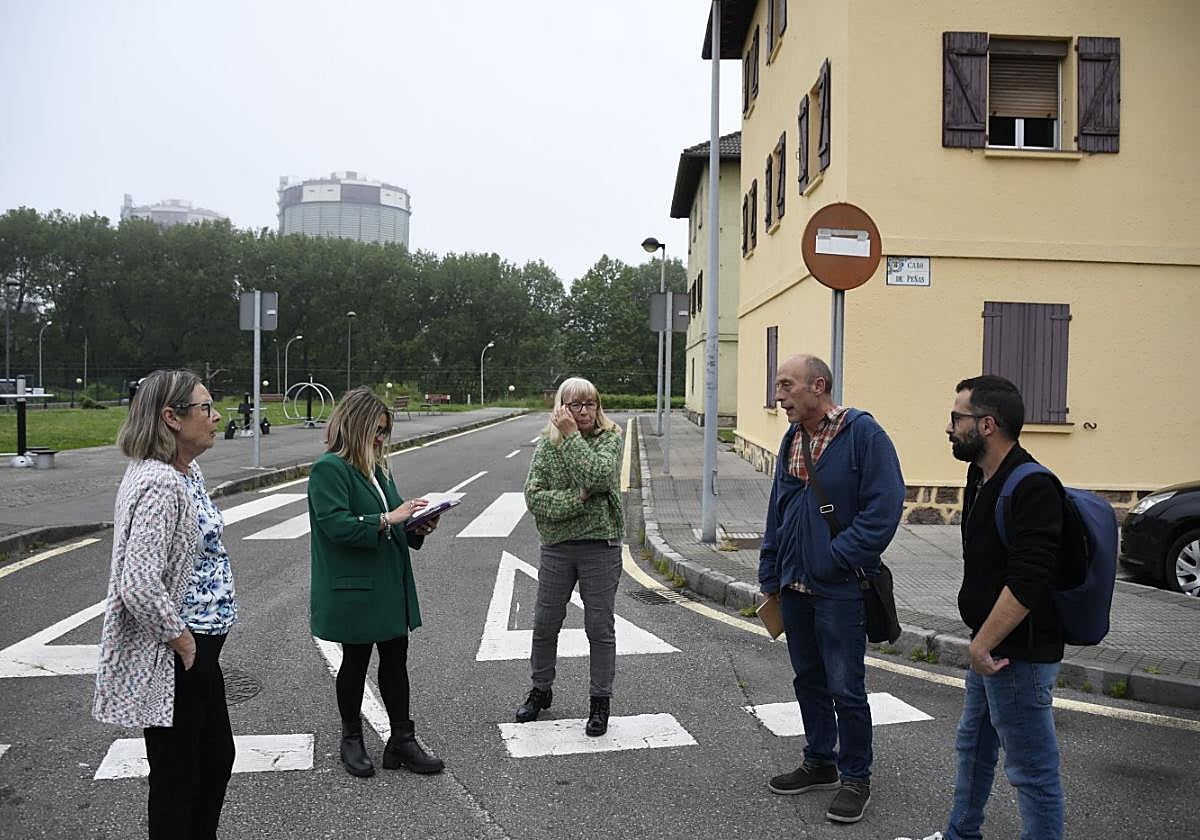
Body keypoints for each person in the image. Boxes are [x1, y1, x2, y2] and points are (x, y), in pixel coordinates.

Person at [758, 354, 905, 825]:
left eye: (786, 386)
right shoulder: (792, 436)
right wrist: (770, 570)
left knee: (846, 686)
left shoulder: (863, 434)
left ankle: (855, 776)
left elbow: (885, 508)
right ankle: (820, 760)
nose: (778, 396)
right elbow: (779, 509)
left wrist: (838, 558)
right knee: (809, 680)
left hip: (840, 588)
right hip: (795, 586)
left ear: (817, 386)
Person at [92, 369, 237, 839]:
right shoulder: (160, 484)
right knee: (179, 776)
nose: (217, 418)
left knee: (214, 758)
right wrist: (183, 641)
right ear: (171, 418)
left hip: (198, 649)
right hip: (179, 653)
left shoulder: (186, 471)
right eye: (205, 408)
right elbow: (137, 584)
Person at [937, 375, 1065, 839]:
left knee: (1032, 771)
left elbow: (1029, 582)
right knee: (973, 748)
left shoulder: (1032, 486)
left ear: (987, 424)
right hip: (988, 646)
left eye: (957, 418)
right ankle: (961, 832)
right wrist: (980, 643)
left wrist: (982, 646)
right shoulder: (980, 474)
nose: (949, 427)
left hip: (1018, 654)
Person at [307, 386, 443, 778]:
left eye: (385, 431)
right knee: (355, 661)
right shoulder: (329, 469)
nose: (382, 439)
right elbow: (337, 527)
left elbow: (396, 519)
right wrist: (390, 519)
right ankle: (351, 738)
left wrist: (418, 525)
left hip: (388, 582)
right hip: (355, 587)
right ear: (355, 426)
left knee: (396, 658)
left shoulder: (380, 468)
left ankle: (401, 739)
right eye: (376, 431)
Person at [518, 376, 624, 736]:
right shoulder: (546, 446)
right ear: (560, 408)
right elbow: (534, 498)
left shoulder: (610, 437)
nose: (582, 412)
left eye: (589, 404)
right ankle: (540, 689)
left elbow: (598, 474)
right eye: (574, 405)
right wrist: (576, 499)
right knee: (545, 623)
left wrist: (573, 439)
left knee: (599, 627)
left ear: (598, 406)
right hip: (556, 548)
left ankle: (599, 702)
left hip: (600, 545)